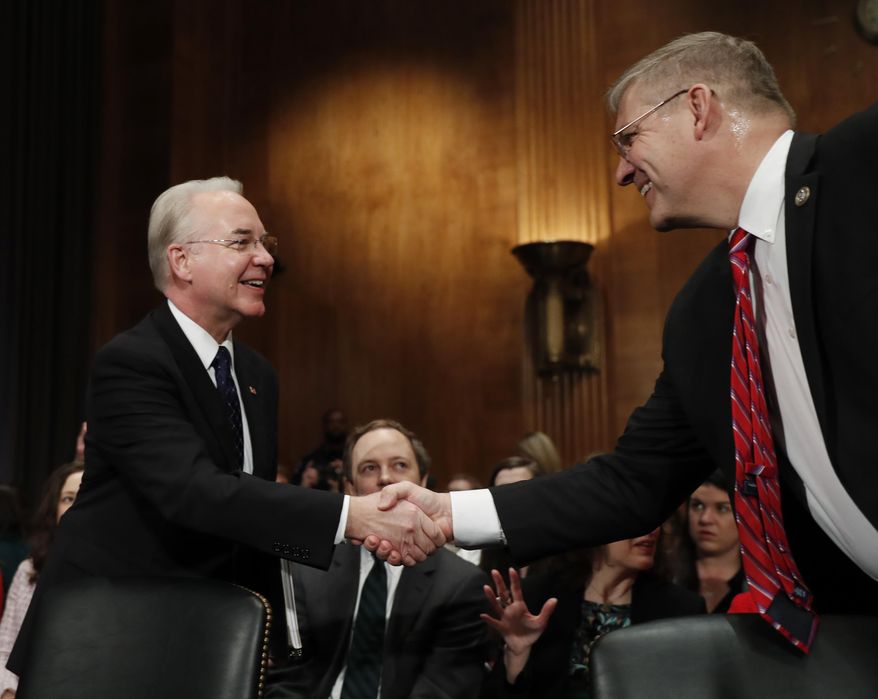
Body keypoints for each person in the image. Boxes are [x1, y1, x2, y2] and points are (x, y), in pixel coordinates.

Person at [374, 32, 878, 651]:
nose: (619, 171)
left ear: (698, 108)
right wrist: (449, 513)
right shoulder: (704, 310)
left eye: (628, 137)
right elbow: (633, 482)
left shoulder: (862, 164)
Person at [8, 178, 445, 687]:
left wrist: (281, 641)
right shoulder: (131, 363)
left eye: (265, 244)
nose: (264, 258)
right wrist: (351, 516)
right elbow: (195, 493)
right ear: (181, 261)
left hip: (209, 642)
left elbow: (249, 510)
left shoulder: (257, 375)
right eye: (242, 242)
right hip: (106, 640)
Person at [287, 419, 490, 698]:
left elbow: (443, 690)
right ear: (349, 487)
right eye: (369, 468)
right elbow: (289, 678)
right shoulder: (307, 570)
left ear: (422, 481)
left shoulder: (460, 584)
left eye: (400, 465)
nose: (385, 478)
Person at [480, 528, 704, 698]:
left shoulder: (682, 610)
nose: (650, 529)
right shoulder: (539, 598)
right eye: (634, 517)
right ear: (596, 519)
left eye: (655, 518)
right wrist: (516, 656)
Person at [0, 461, 84, 698]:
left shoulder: (113, 578)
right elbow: (4, 647)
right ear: (54, 509)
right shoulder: (28, 570)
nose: (76, 507)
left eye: (84, 497)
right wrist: (7, 691)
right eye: (68, 498)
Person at [680, 470, 743, 613]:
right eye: (698, 506)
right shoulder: (665, 578)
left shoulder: (758, 589)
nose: (705, 519)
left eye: (722, 508)